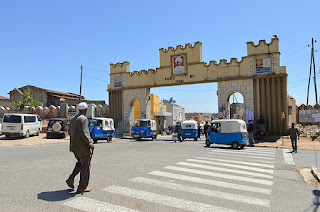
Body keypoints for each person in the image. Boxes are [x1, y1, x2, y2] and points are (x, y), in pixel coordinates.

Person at [66, 102, 95, 193]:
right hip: (83, 148)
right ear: (86, 110)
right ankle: (82, 187)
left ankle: (71, 178)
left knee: (80, 163)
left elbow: (70, 132)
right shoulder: (84, 119)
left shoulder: (73, 119)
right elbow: (85, 133)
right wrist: (90, 143)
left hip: (74, 148)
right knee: (85, 167)